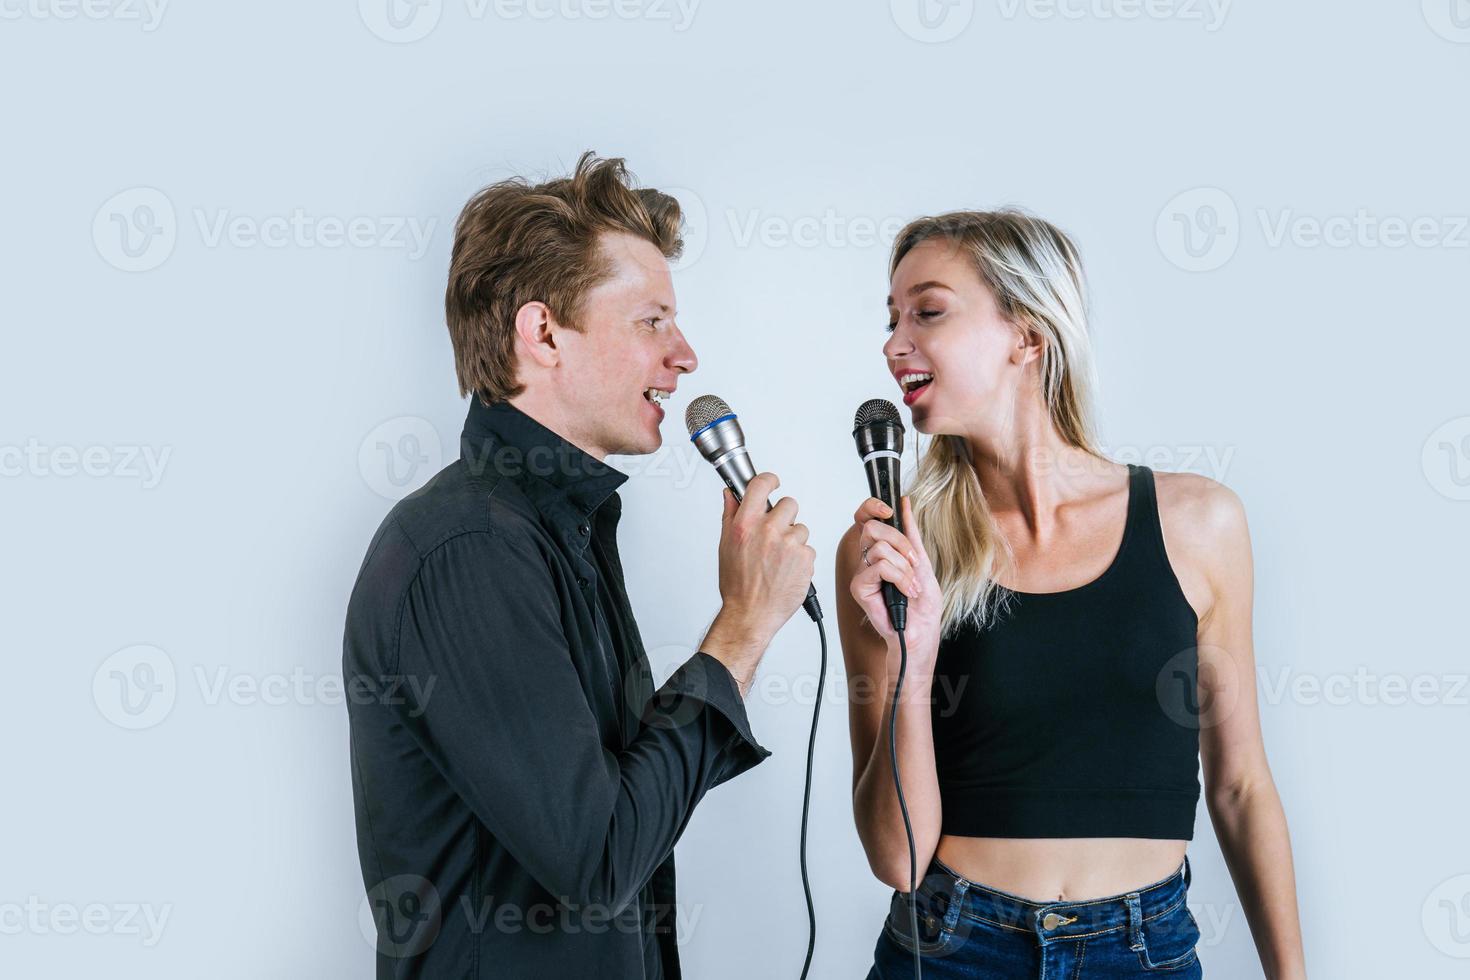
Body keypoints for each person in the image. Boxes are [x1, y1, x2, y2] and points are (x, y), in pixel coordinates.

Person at [343, 152, 816, 978]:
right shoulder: (471, 550)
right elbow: (596, 858)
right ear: (543, 333)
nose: (686, 356)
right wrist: (741, 630)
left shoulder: (557, 531)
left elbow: (620, 825)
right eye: (651, 321)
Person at [837, 210, 1307, 978]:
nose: (893, 345)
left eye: (927, 311)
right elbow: (899, 855)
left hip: (1144, 949)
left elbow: (1241, 785)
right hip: (952, 945)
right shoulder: (893, 553)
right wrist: (913, 650)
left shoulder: (1199, 522)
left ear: (1028, 334)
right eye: (890, 319)